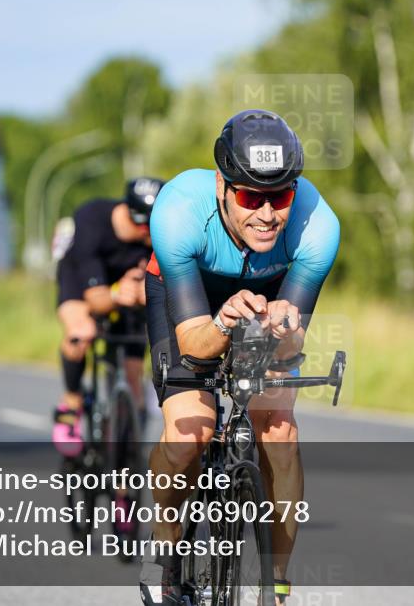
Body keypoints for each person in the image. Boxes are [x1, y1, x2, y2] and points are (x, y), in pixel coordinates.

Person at [140, 110, 340, 606]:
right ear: (221, 187)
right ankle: (162, 557)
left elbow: (289, 348)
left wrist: (285, 331)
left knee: (280, 431)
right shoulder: (178, 212)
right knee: (191, 433)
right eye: (251, 197)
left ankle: (276, 582)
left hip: (271, 292)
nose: (268, 215)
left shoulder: (319, 228)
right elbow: (193, 345)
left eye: (281, 197)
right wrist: (226, 320)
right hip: (189, 295)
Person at [52, 176, 165, 458]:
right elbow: (96, 299)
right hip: (83, 282)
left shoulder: (156, 239)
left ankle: (126, 469)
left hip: (126, 290)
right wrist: (116, 294)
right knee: (82, 333)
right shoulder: (93, 219)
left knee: (133, 375)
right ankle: (72, 403)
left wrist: (145, 293)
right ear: (141, 224)